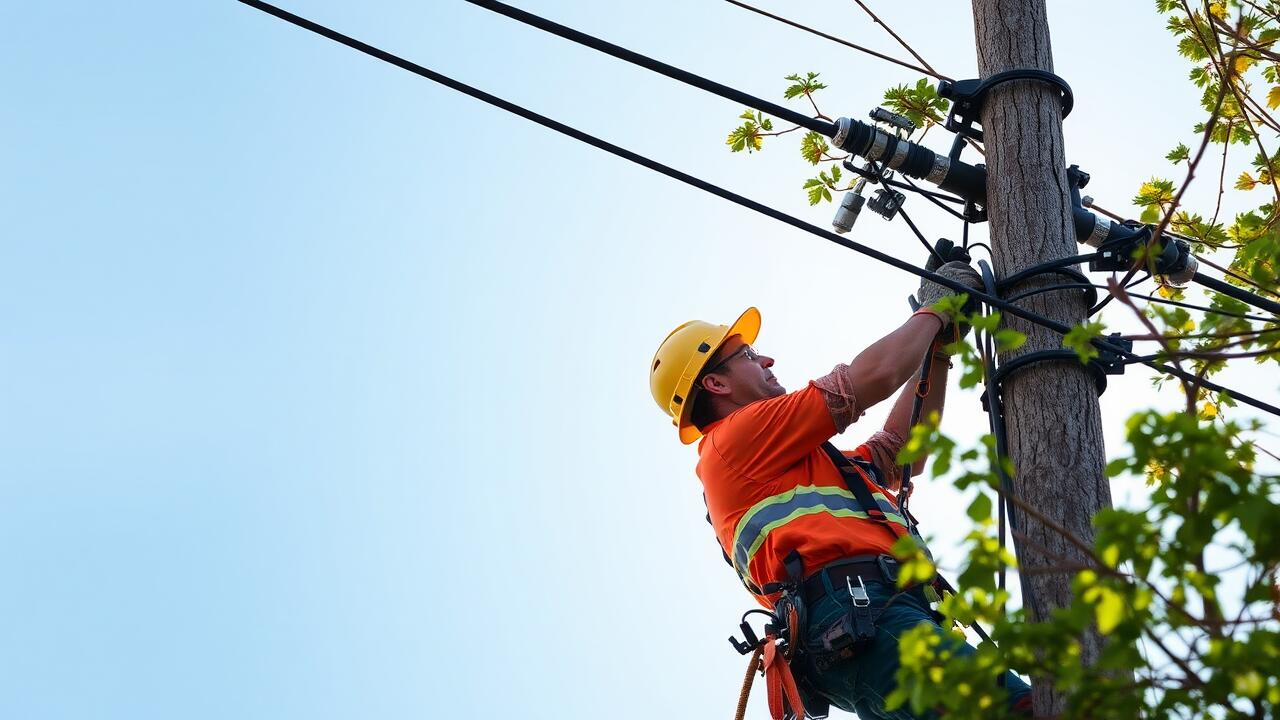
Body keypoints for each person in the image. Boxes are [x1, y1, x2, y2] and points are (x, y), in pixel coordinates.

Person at [648, 246, 1032, 719]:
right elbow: (871, 378)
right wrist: (934, 311)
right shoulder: (735, 439)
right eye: (747, 355)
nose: (767, 359)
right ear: (717, 385)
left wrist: (940, 348)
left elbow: (900, 450)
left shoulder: (799, 464)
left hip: (876, 618)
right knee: (1022, 710)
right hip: (858, 615)